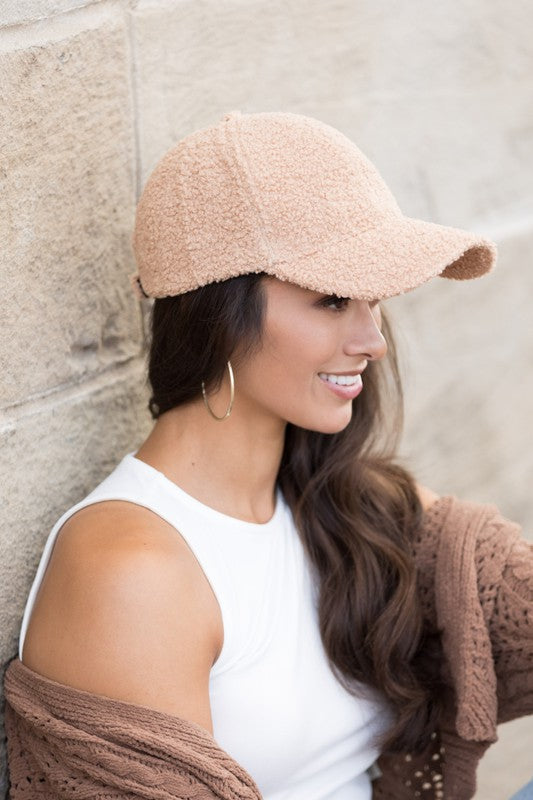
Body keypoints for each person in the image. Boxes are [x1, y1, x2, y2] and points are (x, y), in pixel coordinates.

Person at [4, 110, 532, 800]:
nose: (372, 340)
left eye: (372, 301)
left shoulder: (352, 505)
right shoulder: (129, 569)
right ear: (220, 316)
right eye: (332, 299)